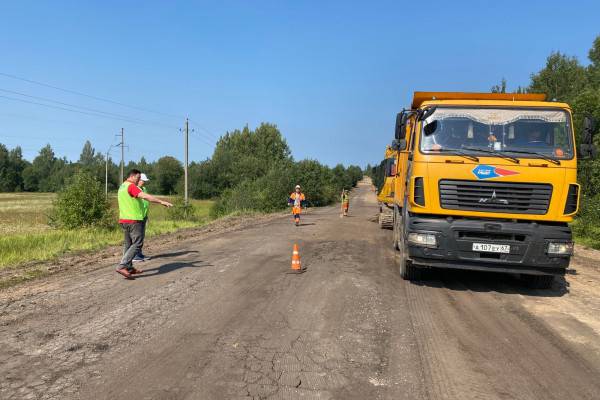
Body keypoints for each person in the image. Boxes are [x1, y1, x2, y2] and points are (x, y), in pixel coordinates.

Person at [116, 169, 173, 279]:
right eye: (137, 178)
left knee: (128, 245)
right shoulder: (131, 186)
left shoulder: (122, 186)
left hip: (124, 220)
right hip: (134, 220)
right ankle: (122, 265)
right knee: (137, 244)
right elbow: (145, 197)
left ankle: (128, 267)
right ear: (132, 176)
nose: (138, 181)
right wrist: (161, 202)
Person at [133, 173, 151, 262]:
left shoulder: (144, 189)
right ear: (138, 180)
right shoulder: (135, 189)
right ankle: (135, 255)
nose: (144, 183)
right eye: (143, 181)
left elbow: (146, 202)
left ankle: (139, 254)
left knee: (142, 236)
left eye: (144, 181)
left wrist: (146, 215)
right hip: (137, 217)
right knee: (137, 237)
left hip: (143, 215)